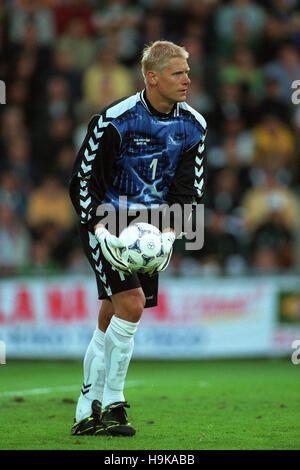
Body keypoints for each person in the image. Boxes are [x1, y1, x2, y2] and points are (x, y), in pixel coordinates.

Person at [69, 40, 207, 437]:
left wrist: (169, 233)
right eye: (178, 73)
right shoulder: (115, 119)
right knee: (131, 306)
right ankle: (112, 403)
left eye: (187, 72)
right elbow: (82, 181)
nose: (187, 80)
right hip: (107, 220)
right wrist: (98, 229)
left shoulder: (194, 124)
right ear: (152, 77)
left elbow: (189, 189)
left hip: (150, 227)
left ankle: (85, 406)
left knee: (114, 313)